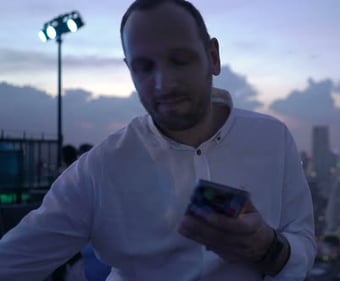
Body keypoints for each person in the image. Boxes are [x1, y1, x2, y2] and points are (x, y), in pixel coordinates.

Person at [0, 0, 316, 280]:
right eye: (144, 67)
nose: (164, 84)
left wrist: (266, 247)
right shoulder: (100, 169)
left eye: (180, 60)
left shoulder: (272, 138)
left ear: (213, 57)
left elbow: (302, 240)